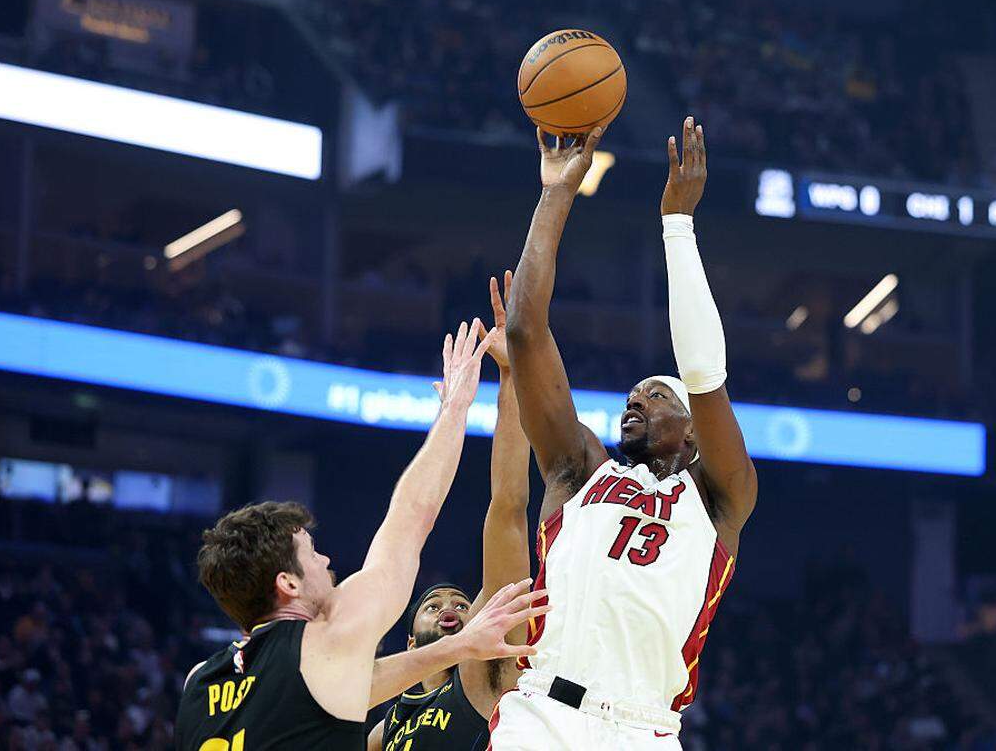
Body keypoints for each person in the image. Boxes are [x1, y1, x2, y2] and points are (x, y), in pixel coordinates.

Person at [491, 117, 759, 750]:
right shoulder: (581, 469)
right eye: (633, 393)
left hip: (644, 728)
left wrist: (678, 226)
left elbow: (705, 374)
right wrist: (557, 191)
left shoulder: (722, 496)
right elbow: (527, 330)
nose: (636, 398)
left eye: (656, 395)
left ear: (693, 434)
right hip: (543, 714)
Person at [175, 319, 548, 751]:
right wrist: (454, 412)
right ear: (287, 583)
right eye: (311, 555)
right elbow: (410, 517)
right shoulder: (326, 640)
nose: (326, 562)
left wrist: (456, 648)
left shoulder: (199, 681)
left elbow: (350, 686)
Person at [368, 272, 533, 750]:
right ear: (410, 643)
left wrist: (511, 377)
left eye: (462, 605)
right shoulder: (386, 728)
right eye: (434, 605)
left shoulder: (482, 675)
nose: (450, 610)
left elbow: (508, 505)